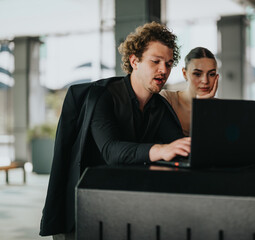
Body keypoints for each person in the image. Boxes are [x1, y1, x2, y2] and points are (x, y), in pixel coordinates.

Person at [40, 21, 191, 239]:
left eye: (168, 63)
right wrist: (160, 150)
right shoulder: (102, 96)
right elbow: (111, 151)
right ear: (134, 61)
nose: (163, 70)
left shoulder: (159, 107)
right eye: (155, 61)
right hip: (84, 207)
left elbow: (179, 147)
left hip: (126, 205)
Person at [160, 47, 219, 136]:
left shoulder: (219, 108)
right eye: (197, 74)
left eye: (211, 74)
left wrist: (203, 106)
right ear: (184, 74)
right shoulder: (167, 99)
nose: (205, 81)